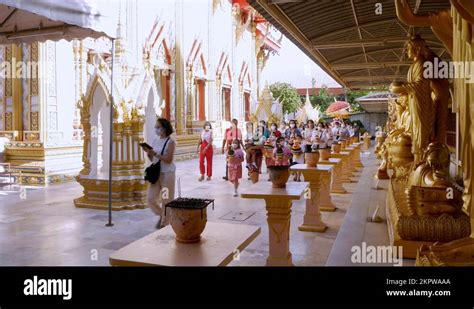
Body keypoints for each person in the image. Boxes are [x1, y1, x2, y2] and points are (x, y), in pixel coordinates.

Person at [145, 118, 176, 229]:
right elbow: (152, 159)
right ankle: (162, 215)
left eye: (158, 127)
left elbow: (169, 160)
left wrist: (156, 154)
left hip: (167, 173)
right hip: (156, 173)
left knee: (166, 199)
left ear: (164, 128)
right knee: (150, 198)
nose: (156, 129)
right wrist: (149, 153)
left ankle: (165, 223)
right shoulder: (155, 141)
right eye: (156, 127)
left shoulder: (171, 142)